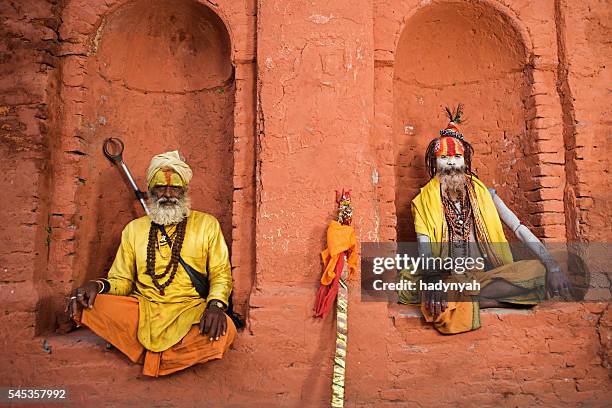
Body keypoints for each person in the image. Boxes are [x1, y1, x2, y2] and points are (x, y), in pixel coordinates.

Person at [399, 106, 571, 334]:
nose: (451, 164)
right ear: (435, 163)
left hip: (486, 277)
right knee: (425, 292)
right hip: (448, 278)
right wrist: (432, 280)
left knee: (538, 272)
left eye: (457, 157)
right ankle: (480, 301)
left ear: (465, 161)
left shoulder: (485, 194)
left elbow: (518, 228)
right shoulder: (424, 201)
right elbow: (425, 248)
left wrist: (552, 265)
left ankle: (469, 301)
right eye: (445, 158)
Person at [66, 150, 236, 376]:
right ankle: (165, 357)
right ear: (151, 191)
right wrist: (96, 286)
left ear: (184, 190)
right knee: (89, 306)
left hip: (189, 310)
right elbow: (122, 280)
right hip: (144, 308)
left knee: (225, 332)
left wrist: (215, 306)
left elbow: (220, 275)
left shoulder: (207, 225)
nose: (168, 194)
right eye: (160, 188)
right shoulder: (134, 230)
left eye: (174, 187)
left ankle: (149, 356)